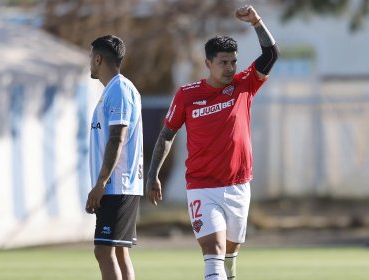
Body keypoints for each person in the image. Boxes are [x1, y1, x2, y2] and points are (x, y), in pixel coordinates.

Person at [146, 5, 279, 280]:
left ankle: (229, 270)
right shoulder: (187, 95)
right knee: (213, 250)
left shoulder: (244, 85)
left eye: (233, 62)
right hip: (202, 186)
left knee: (230, 253)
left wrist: (256, 22)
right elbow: (167, 134)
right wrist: (152, 174)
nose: (230, 68)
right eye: (223, 62)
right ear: (208, 63)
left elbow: (271, 54)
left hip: (239, 185)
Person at [86, 35, 144, 280]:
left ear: (98, 59)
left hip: (117, 185)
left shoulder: (119, 89)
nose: (90, 62)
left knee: (103, 251)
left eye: (91, 58)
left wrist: (100, 183)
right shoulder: (115, 89)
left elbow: (116, 139)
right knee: (119, 252)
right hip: (120, 185)